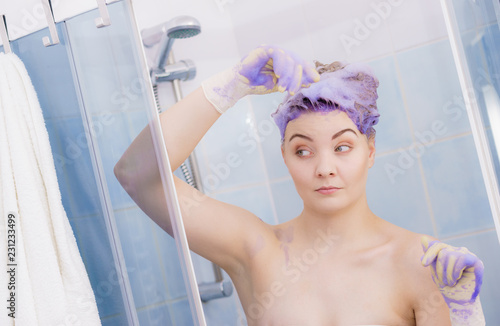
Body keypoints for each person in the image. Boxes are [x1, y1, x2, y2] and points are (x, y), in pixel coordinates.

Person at [114, 45, 485, 325]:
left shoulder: (421, 264)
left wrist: (464, 313)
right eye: (303, 150)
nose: (325, 168)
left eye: (342, 147)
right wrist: (232, 85)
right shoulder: (256, 251)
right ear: (285, 157)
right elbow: (136, 174)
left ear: (370, 151)